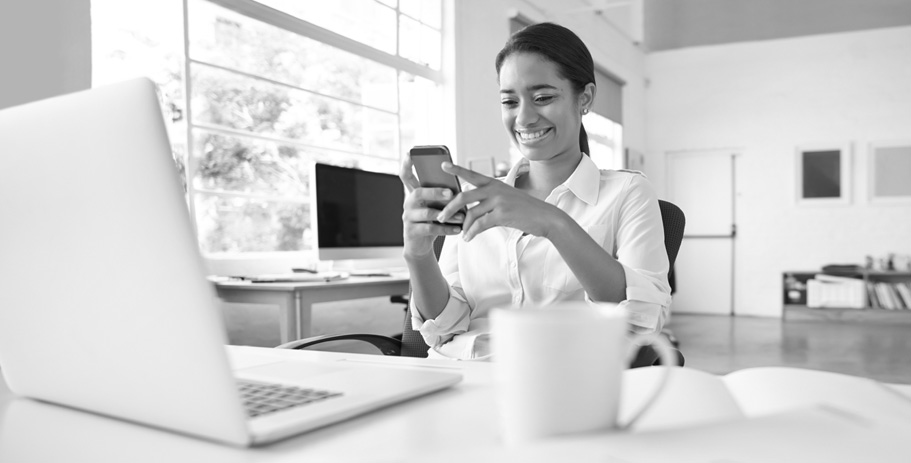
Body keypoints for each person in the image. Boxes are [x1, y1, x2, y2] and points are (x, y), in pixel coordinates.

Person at [399, 22, 671, 360]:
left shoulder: (627, 192)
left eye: (542, 98)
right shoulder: (476, 197)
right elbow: (446, 326)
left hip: (553, 384)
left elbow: (644, 319)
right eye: (510, 101)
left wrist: (552, 223)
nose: (524, 118)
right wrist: (419, 255)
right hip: (458, 374)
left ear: (584, 98)